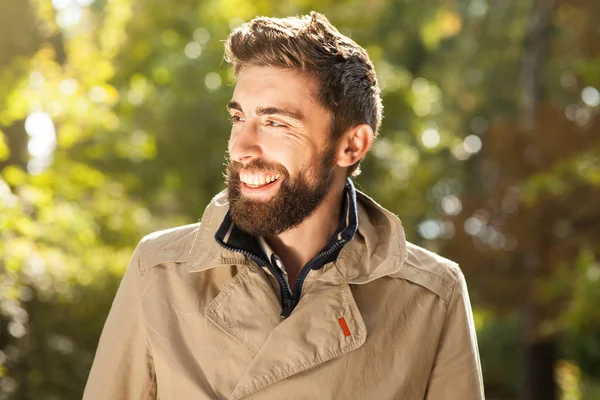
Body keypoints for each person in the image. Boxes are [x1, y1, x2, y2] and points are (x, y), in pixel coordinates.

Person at [83, 12, 484, 400]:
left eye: (275, 123)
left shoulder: (431, 296)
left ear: (351, 145)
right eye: (239, 119)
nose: (241, 148)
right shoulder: (159, 271)